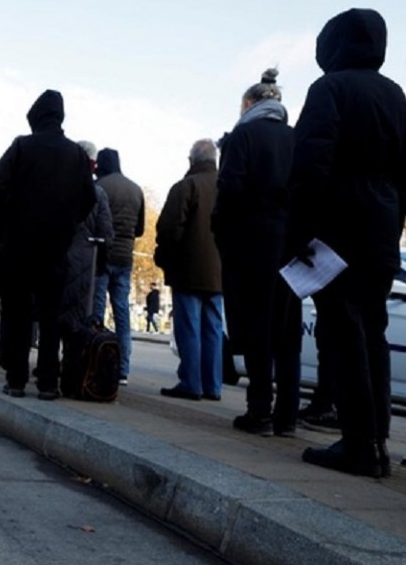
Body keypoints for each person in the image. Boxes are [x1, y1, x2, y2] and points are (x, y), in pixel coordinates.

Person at [290, 8, 406, 477]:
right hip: (382, 224)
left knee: (340, 331)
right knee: (372, 331)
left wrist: (299, 232)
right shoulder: (396, 94)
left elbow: (310, 164)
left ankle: (357, 442)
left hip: (338, 223)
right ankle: (376, 439)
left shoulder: (329, 89)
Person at [0, 89, 96, 399]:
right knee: (50, 316)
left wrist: (6, 218)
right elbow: (90, 198)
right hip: (56, 246)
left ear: (35, 116)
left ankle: (16, 378)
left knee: (17, 314)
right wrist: (69, 223)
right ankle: (48, 381)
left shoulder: (22, 146)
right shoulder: (76, 155)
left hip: (19, 244)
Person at [212, 68, 301, 437]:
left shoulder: (242, 136)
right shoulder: (297, 138)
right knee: (288, 331)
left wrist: (221, 230)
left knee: (256, 326)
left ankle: (259, 410)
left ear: (249, 103)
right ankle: (287, 416)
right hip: (292, 246)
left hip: (252, 242)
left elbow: (230, 189)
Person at [155, 139, 223, 401]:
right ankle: (213, 385)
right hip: (219, 272)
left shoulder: (187, 186)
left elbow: (170, 228)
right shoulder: (227, 185)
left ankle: (191, 382)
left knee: (189, 327)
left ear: (192, 160)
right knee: (214, 328)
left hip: (188, 270)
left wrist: (164, 257)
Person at [58, 140, 114, 396]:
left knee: (54, 315)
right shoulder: (98, 193)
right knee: (78, 319)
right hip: (85, 263)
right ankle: (73, 369)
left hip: (58, 258)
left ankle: (47, 369)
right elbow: (106, 233)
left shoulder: (58, 186)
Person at [93, 147, 144, 385]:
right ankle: (123, 368)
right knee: (122, 311)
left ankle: (95, 359)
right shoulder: (135, 189)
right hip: (125, 256)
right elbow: (140, 229)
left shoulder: (100, 186)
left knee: (97, 309)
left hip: (102, 254)